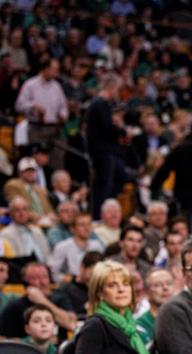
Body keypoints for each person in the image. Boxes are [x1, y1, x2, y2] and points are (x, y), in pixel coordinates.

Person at [73, 260, 148, 354]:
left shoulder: (130, 325)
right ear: (99, 293)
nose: (121, 290)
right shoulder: (95, 326)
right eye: (112, 285)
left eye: (125, 284)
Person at [86, 74, 127, 219]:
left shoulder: (101, 104)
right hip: (103, 152)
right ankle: (98, 216)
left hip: (107, 152)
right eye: (117, 89)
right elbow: (107, 128)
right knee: (104, 187)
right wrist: (123, 131)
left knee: (120, 178)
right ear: (112, 87)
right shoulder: (100, 104)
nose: (118, 93)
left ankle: (109, 211)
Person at [0, 262, 77, 339]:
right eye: (36, 278)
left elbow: (71, 324)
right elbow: (3, 339)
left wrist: (42, 301)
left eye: (45, 277)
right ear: (26, 283)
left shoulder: (60, 298)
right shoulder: (15, 306)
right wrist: (30, 341)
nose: (43, 282)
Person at [48, 213, 104, 283]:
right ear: (72, 229)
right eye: (82, 225)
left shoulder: (97, 245)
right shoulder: (62, 247)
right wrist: (73, 280)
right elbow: (54, 274)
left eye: (89, 224)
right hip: (71, 285)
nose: (87, 228)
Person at [3, 157, 55, 224]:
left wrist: (51, 216)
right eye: (27, 171)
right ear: (20, 173)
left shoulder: (41, 189)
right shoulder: (13, 185)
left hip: (46, 222)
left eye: (32, 171)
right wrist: (41, 218)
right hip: (28, 222)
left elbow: (49, 209)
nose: (30, 173)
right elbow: (18, 208)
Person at [53, 251, 104, 317]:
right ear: (82, 267)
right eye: (92, 273)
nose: (94, 279)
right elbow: (67, 316)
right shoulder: (65, 290)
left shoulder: (103, 289)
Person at [0, 196, 50, 262]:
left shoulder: (37, 231)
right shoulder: (5, 234)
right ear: (11, 214)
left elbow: (47, 254)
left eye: (25, 209)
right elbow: (13, 260)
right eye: (17, 210)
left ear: (29, 212)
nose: (22, 213)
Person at [136, 269, 174, 346]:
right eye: (157, 285)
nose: (165, 288)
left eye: (169, 283)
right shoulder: (139, 326)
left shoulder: (186, 319)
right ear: (146, 292)